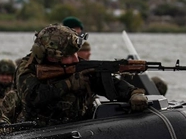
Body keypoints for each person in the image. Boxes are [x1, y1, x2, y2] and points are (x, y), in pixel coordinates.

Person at [15, 24, 148, 127]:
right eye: (69, 56)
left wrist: (133, 93)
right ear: (52, 57)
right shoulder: (28, 68)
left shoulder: (77, 66)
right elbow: (32, 96)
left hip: (81, 129)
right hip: (42, 132)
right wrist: (68, 84)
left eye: (76, 54)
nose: (76, 59)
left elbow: (106, 82)